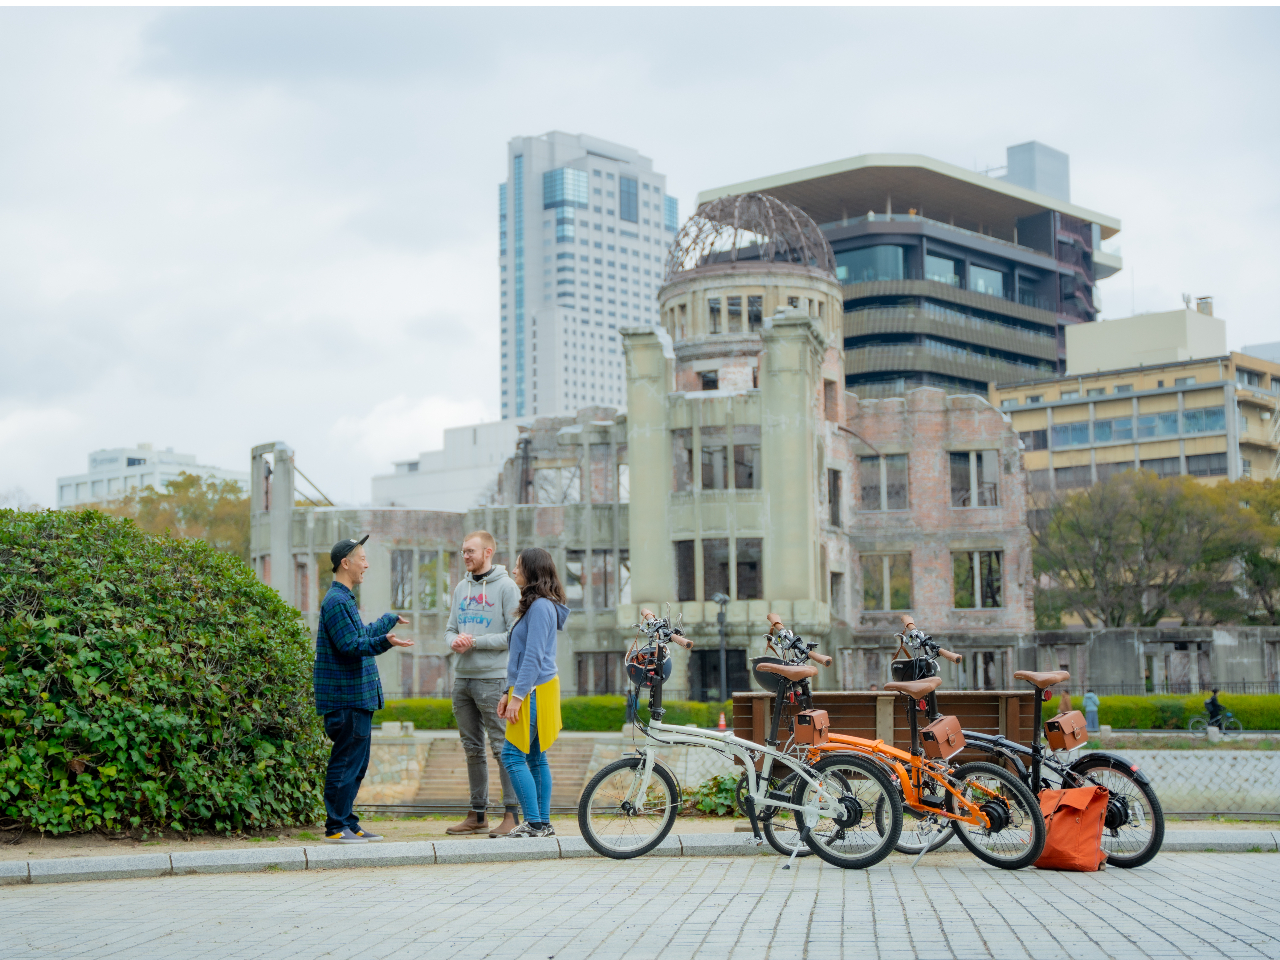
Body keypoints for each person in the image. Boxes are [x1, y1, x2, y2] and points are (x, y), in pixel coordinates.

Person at [314, 535, 414, 844]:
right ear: (346, 563)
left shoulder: (344, 601)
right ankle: (335, 827)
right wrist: (385, 641)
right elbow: (350, 645)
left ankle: (347, 821)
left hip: (356, 699)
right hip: (346, 700)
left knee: (356, 765)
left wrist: (386, 622)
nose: (366, 564)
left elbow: (359, 634)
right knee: (345, 763)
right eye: (362, 559)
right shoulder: (335, 601)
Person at [444, 531, 521, 838]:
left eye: (471, 551)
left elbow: (513, 635)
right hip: (462, 678)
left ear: (488, 552)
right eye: (463, 551)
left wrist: (473, 642)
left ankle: (511, 815)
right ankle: (477, 815)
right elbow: (449, 630)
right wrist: (455, 641)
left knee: (502, 747)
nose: (466, 556)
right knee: (472, 748)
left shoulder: (506, 587)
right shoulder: (461, 588)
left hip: (493, 679)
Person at [498, 547, 569, 838]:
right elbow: (520, 655)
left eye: (518, 566)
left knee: (512, 755)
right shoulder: (539, 605)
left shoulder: (541, 607)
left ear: (531, 570)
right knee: (536, 757)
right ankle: (542, 823)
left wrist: (517, 696)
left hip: (535, 690)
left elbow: (534, 656)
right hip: (534, 688)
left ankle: (534, 822)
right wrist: (508, 691)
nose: (514, 570)